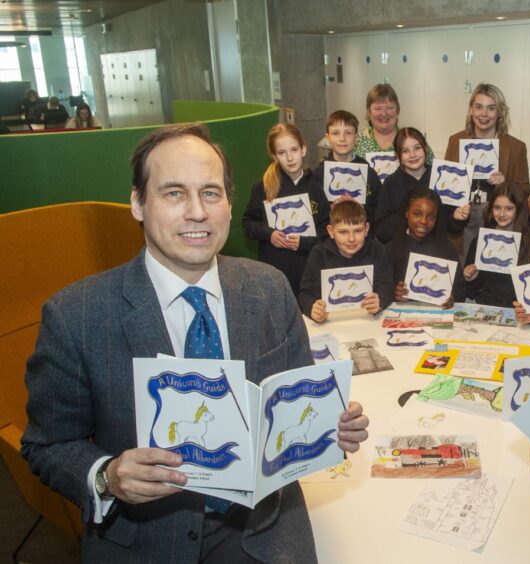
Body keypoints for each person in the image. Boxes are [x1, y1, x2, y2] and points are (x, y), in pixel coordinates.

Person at [20, 123, 370, 563]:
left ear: (227, 203)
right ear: (137, 203)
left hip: (266, 531)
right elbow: (47, 445)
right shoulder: (78, 315)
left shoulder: (270, 289)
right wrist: (106, 477)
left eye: (210, 193)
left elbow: (296, 404)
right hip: (145, 540)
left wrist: (331, 425)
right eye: (172, 193)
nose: (196, 212)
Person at [445, 83, 530, 258]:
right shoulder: (455, 141)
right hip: (465, 221)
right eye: (479, 107)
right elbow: (446, 184)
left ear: (499, 112)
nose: (484, 114)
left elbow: (525, 189)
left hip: (499, 221)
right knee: (466, 271)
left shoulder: (516, 147)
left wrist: (506, 183)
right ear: (471, 110)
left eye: (491, 108)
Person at [242, 123, 330, 294]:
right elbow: (248, 224)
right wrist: (270, 234)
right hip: (276, 270)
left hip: (309, 270)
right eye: (282, 153)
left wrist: (304, 243)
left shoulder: (316, 187)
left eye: (294, 150)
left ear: (303, 149)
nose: (290, 158)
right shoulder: (264, 187)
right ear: (275, 157)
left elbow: (327, 232)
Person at [298, 199, 394, 323]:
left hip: (367, 320)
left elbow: (386, 284)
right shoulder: (319, 254)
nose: (351, 239)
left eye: (358, 231)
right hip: (331, 321)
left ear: (366, 229)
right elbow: (305, 292)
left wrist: (380, 300)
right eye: (343, 232)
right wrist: (312, 308)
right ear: (331, 231)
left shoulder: (377, 249)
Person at [463, 182, 530, 323]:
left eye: (509, 209)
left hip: (518, 317)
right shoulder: (480, 241)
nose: (501, 214)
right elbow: (470, 291)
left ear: (519, 210)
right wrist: (470, 278)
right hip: (483, 313)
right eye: (497, 207)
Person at [373, 127, 468, 244]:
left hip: (435, 249)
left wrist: (456, 218)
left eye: (417, 148)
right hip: (401, 250)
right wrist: (408, 214)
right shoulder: (391, 183)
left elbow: (451, 228)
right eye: (405, 151)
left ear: (426, 148)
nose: (412, 155)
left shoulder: (441, 177)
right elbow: (381, 231)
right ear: (398, 156)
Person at [388, 187, 465, 309]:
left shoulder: (446, 248)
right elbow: (380, 288)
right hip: (402, 315)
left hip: (437, 315)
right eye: (417, 214)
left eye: (430, 216)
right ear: (407, 213)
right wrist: (394, 293)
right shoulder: (391, 248)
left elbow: (460, 288)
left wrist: (452, 298)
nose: (423, 221)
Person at [314, 110, 381, 225]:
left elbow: (380, 211)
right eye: (335, 133)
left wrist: (361, 209)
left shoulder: (369, 174)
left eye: (348, 133)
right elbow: (314, 216)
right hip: (329, 239)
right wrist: (330, 210)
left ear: (356, 138)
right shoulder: (318, 175)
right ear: (328, 138)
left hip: (363, 238)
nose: (342, 138)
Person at [353, 83, 434, 164]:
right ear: (369, 112)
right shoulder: (356, 141)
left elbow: (432, 170)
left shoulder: (415, 140)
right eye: (377, 108)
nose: (384, 113)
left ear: (397, 110)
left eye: (389, 108)